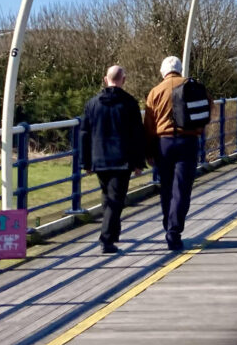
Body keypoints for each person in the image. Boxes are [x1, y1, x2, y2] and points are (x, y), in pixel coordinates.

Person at [144, 56, 209, 251]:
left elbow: (148, 125)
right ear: (180, 70)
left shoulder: (155, 92)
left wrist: (149, 150)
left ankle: (168, 224)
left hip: (164, 143)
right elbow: (206, 112)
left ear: (163, 72)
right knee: (182, 188)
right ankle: (174, 230)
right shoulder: (193, 86)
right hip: (188, 141)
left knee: (166, 187)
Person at [80, 65, 145, 254]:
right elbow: (137, 135)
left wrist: (86, 162)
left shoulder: (92, 104)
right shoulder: (130, 103)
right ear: (123, 80)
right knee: (116, 200)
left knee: (108, 198)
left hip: (99, 158)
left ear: (105, 79)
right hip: (122, 159)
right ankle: (106, 239)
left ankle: (111, 235)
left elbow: (84, 134)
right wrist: (139, 162)